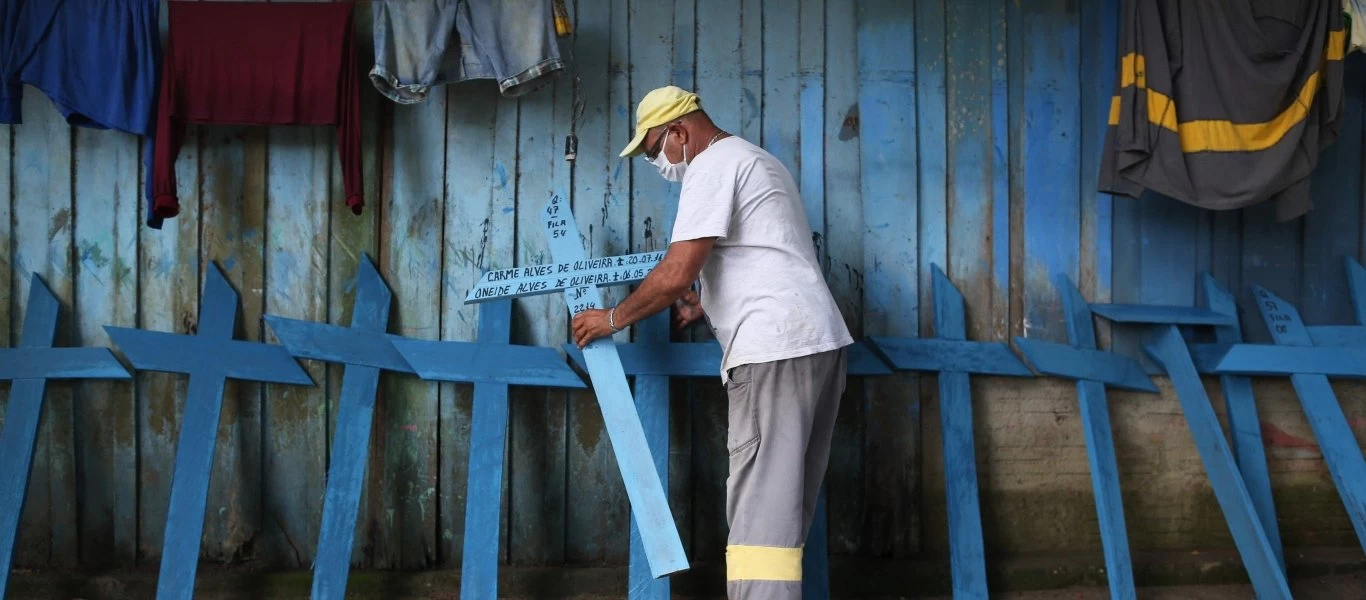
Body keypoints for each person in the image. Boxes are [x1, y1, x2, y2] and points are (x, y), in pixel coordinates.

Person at [570, 85, 853, 599]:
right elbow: (768, 253)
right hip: (819, 346)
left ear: (679, 132)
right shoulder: (756, 160)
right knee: (784, 514)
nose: (659, 162)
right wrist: (710, 301)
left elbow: (677, 272)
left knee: (760, 522)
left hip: (773, 352)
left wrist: (613, 317)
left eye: (655, 150)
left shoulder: (712, 165)